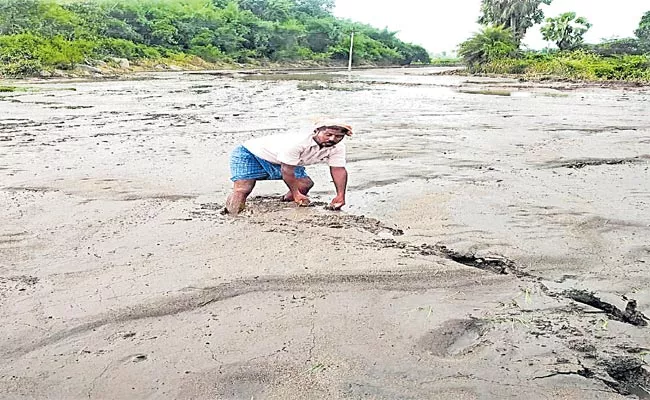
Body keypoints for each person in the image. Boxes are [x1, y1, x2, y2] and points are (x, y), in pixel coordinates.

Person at [225, 120, 353, 214]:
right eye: (328, 134)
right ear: (317, 131)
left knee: (305, 184)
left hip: (281, 159)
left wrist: (340, 195)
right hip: (250, 153)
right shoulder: (298, 143)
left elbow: (338, 169)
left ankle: (284, 204)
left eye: (338, 136)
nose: (332, 139)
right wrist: (296, 193)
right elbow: (287, 170)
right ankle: (233, 216)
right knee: (243, 189)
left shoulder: (337, 147)